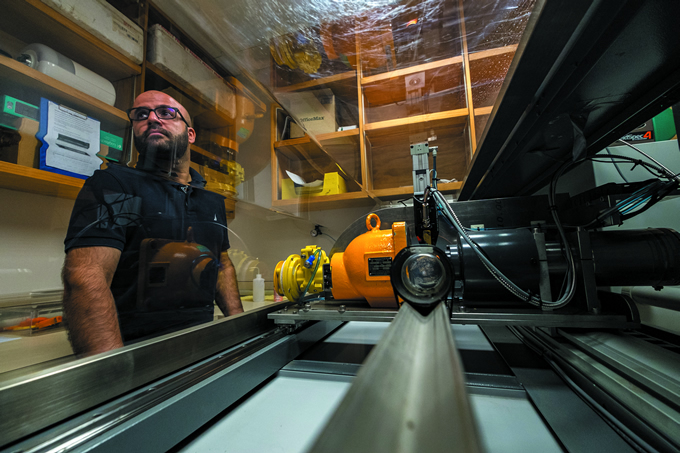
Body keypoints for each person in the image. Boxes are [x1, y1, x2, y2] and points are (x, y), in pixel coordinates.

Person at [62, 90, 243, 356]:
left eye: (166, 113)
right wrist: (114, 374)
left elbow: (221, 264)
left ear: (190, 134)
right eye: (141, 114)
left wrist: (239, 330)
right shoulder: (117, 186)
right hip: (136, 354)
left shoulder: (209, 200)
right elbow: (86, 277)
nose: (152, 119)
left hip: (201, 344)